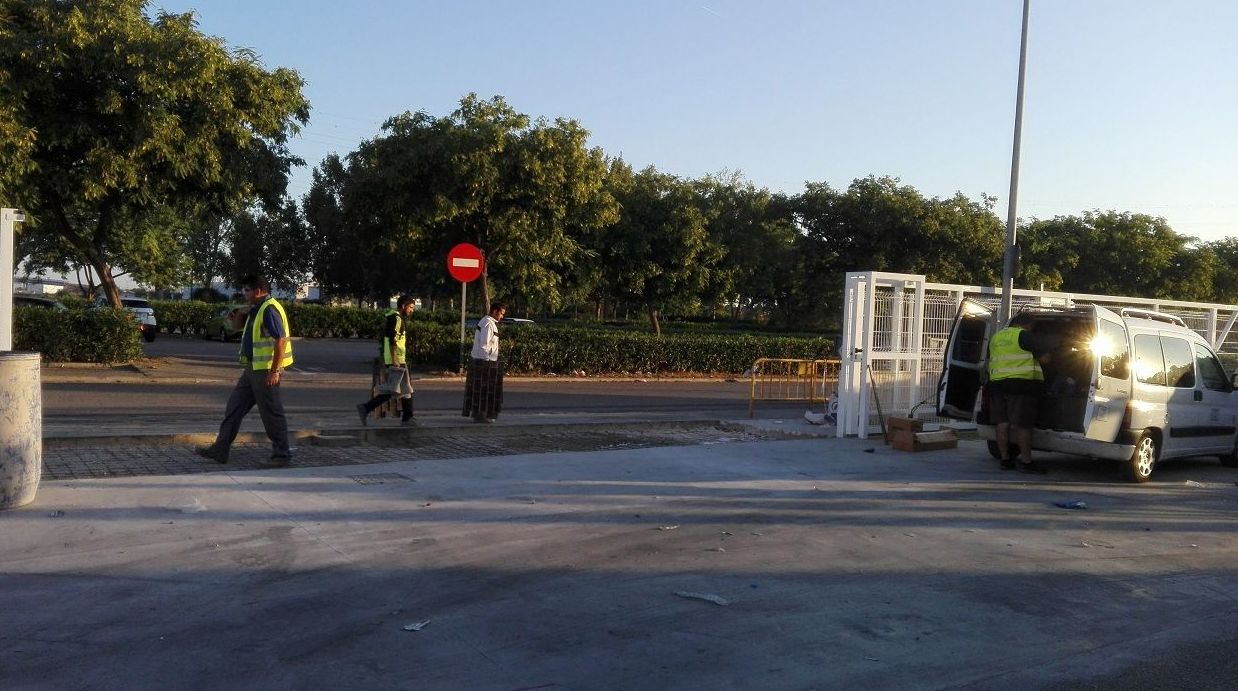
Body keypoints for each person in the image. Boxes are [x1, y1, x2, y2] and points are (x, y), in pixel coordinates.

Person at [195, 275, 294, 467]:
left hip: (265, 371)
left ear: (258, 291)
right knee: (234, 408)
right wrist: (240, 314)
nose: (244, 293)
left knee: (272, 413)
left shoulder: (269, 309)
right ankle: (220, 449)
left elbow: (281, 340)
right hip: (252, 369)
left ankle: (282, 455)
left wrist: (275, 371)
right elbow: (235, 328)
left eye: (246, 290)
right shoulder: (256, 308)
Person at [987, 311, 1056, 474]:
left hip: (997, 385)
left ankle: (1005, 460)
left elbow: (992, 358)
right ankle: (1026, 461)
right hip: (1021, 386)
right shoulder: (1024, 336)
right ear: (1028, 325)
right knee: (1023, 425)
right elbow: (1046, 359)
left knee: (1002, 424)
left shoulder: (996, 337)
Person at [357, 295, 416, 426]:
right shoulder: (397, 319)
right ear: (403, 306)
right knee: (392, 390)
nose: (412, 310)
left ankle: (408, 417)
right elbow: (392, 339)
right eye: (411, 307)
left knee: (405, 389)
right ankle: (366, 408)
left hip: (397, 359)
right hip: (397, 360)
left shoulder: (393, 317)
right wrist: (395, 358)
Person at [463, 302, 506, 423]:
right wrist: (487, 362)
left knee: (481, 390)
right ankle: (481, 415)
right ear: (494, 311)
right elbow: (484, 345)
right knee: (484, 390)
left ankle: (480, 414)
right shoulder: (488, 324)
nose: (502, 316)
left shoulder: (489, 322)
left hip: (482, 361)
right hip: (483, 362)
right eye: (501, 313)